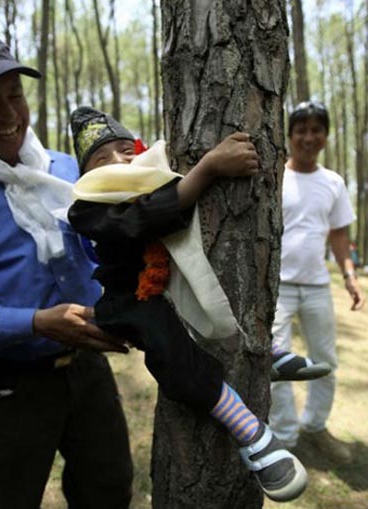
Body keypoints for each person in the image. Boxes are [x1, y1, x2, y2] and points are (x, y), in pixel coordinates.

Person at [0, 23, 133, 509]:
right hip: (3, 385)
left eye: (14, 94)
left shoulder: (65, 170)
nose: (9, 114)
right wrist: (35, 323)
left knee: (109, 489)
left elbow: (111, 247)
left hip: (89, 372)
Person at [67, 106, 312, 503]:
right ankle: (253, 435)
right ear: (86, 174)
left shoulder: (155, 173)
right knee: (171, 351)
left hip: (170, 279)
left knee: (214, 297)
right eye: (100, 158)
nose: (117, 160)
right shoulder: (86, 207)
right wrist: (209, 168)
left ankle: (266, 353)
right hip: (133, 301)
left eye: (125, 149)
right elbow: (138, 220)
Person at [269, 101, 365, 463]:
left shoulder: (333, 183)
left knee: (324, 360)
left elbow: (339, 235)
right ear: (290, 135)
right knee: (276, 363)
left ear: (325, 137)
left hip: (317, 287)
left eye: (316, 130)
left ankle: (315, 427)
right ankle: (283, 436)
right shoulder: (275, 177)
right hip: (276, 289)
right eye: (301, 130)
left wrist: (350, 276)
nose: (308, 137)